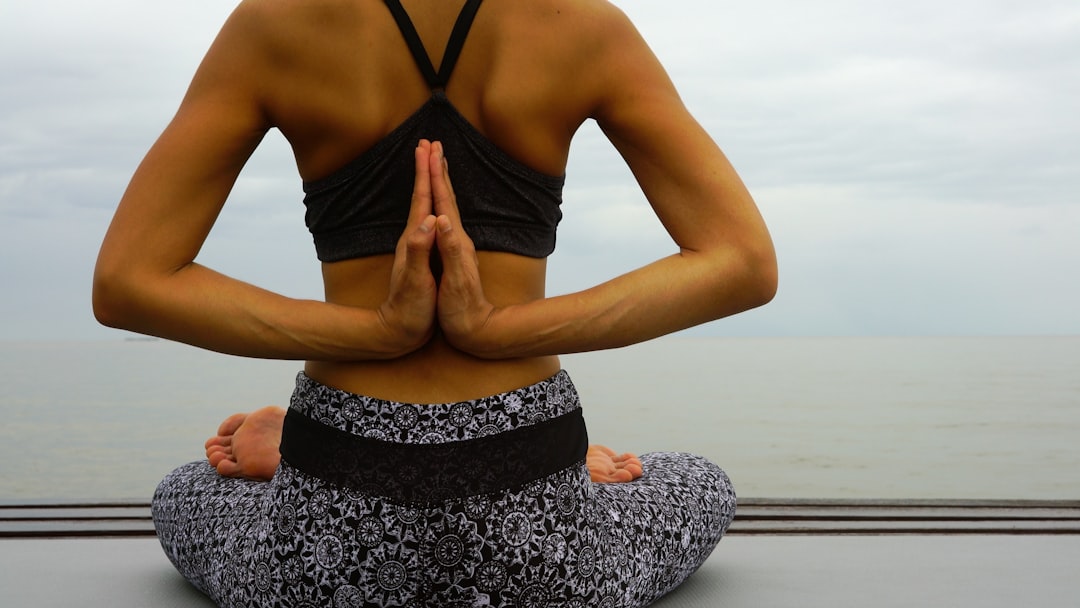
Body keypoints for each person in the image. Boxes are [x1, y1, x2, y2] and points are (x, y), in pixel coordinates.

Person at [93, 0, 776, 606]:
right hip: (541, 540)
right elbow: (742, 264)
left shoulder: (272, 23)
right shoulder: (583, 25)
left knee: (185, 488)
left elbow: (129, 282)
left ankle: (287, 454)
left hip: (327, 546)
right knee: (697, 480)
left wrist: (377, 331)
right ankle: (576, 476)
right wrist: (498, 330)